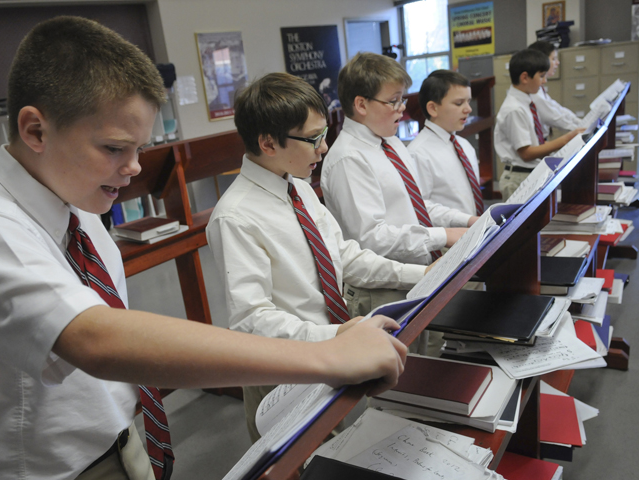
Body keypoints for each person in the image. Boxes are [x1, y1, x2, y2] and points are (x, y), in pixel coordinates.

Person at [0, 17, 407, 480]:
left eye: (140, 148)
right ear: (35, 131)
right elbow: (96, 338)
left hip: (121, 439)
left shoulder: (78, 210)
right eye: (115, 148)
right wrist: (331, 355)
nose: (135, 167)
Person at [206, 72, 429, 442]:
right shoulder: (236, 216)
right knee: (303, 461)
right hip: (285, 368)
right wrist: (335, 333)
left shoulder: (297, 186)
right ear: (268, 143)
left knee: (336, 444)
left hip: (328, 351)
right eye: (313, 139)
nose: (324, 148)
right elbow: (251, 319)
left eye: (324, 134)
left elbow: (344, 256)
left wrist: (421, 273)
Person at [320, 52, 476, 317]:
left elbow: (416, 205)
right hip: (383, 290)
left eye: (402, 98)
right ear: (361, 104)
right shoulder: (348, 158)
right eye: (393, 101)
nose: (402, 107)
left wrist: (467, 221)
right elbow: (372, 238)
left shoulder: (390, 142)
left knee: (432, 351)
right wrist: (443, 235)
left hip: (420, 272)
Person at [494, 49, 585, 200]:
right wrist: (568, 138)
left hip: (529, 173)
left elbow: (534, 142)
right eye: (541, 76)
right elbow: (527, 154)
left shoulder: (526, 102)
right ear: (525, 77)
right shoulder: (515, 109)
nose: (545, 81)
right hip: (519, 177)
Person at [407, 70, 483, 216]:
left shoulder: (464, 145)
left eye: (469, 101)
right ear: (433, 108)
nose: (468, 109)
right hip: (448, 235)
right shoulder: (418, 153)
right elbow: (421, 207)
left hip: (474, 230)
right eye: (459, 103)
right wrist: (465, 220)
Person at [528, 40, 583, 139]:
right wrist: (580, 129)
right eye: (553, 59)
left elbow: (557, 109)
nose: (557, 62)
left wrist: (580, 123)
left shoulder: (539, 90)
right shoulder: (534, 92)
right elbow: (553, 117)